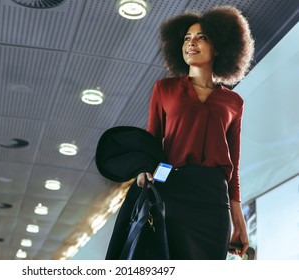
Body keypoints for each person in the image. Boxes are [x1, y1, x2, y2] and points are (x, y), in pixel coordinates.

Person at [105, 5, 254, 260]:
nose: (191, 43)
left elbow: (234, 167)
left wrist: (238, 221)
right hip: (173, 192)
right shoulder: (164, 89)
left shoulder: (234, 102)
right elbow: (151, 144)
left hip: (213, 201)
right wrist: (144, 170)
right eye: (187, 38)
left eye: (201, 37)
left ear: (218, 47)